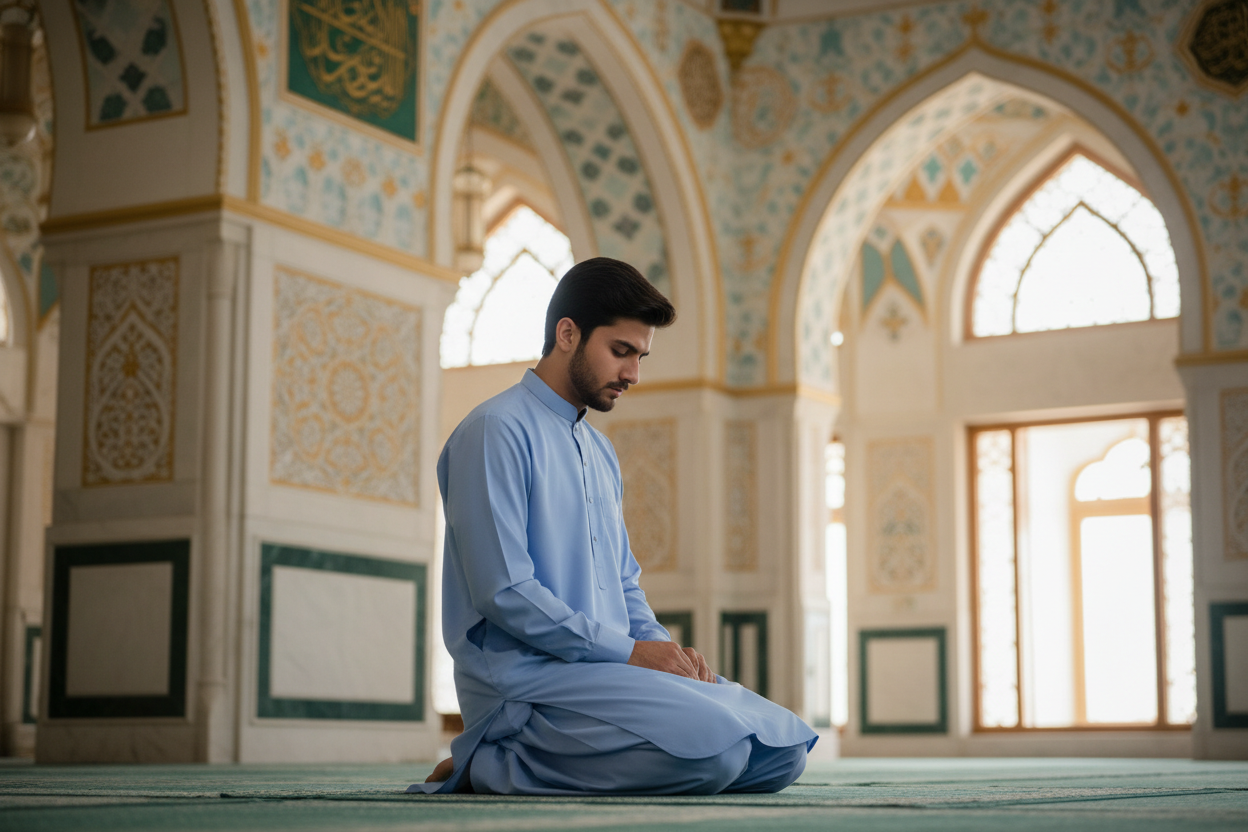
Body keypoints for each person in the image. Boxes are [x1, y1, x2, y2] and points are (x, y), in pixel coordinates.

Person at [409, 258, 816, 796]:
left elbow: (624, 583)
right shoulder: (494, 432)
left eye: (640, 356)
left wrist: (662, 651)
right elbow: (505, 593)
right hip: (528, 683)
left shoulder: (599, 450)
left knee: (779, 752)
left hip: (605, 672)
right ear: (567, 334)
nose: (633, 374)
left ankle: (538, 760)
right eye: (620, 352)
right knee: (716, 759)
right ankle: (494, 762)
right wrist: (630, 654)